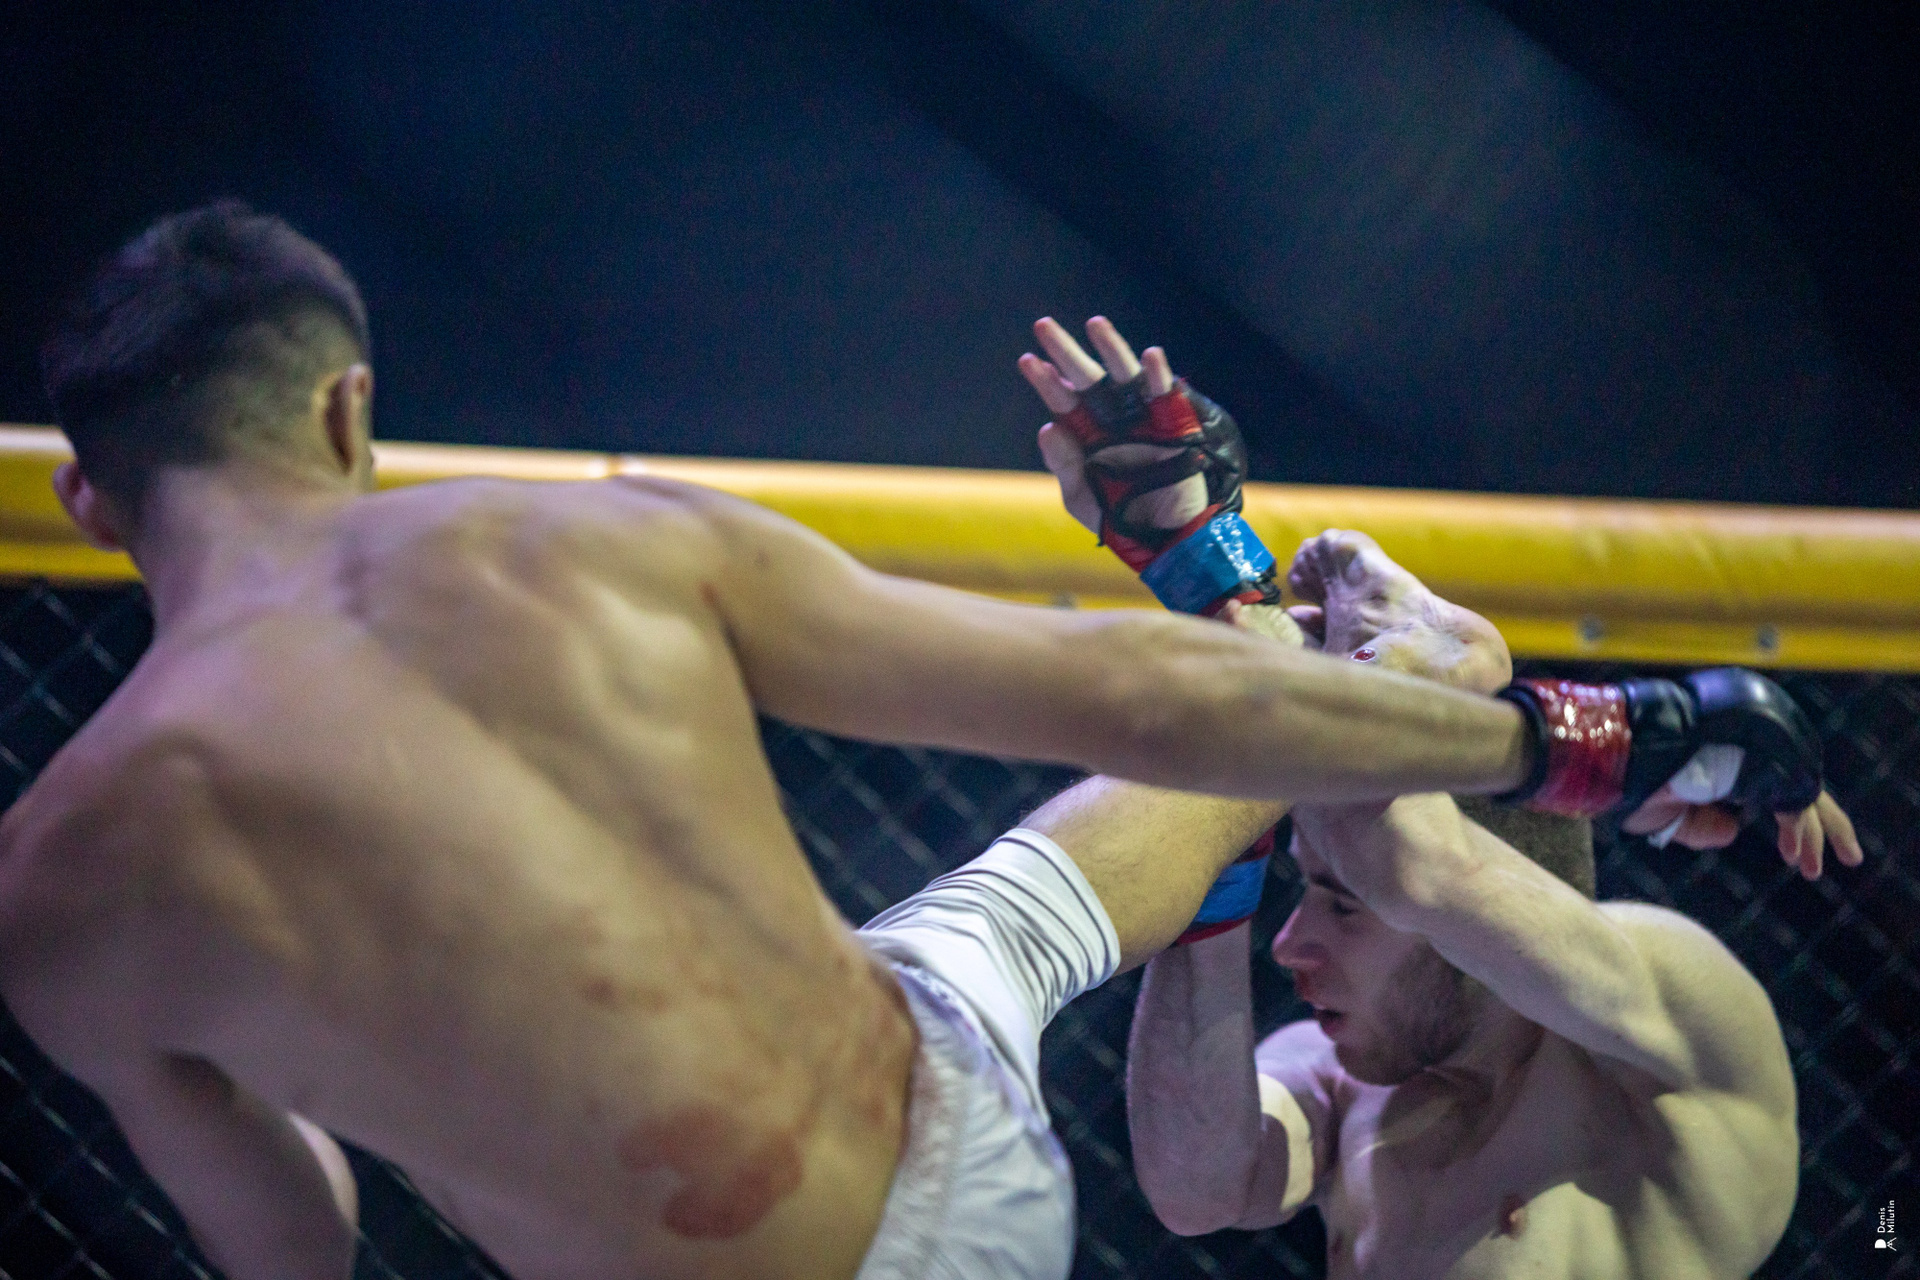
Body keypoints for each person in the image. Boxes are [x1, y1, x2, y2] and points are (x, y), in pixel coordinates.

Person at [0, 203, 1839, 1280]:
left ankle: (1241, 592)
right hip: (916, 1204)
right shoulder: (577, 548)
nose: (1305, 940)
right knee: (1046, 874)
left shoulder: (59, 892)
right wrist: (1597, 741)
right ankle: (1259, 602)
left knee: (969, 936)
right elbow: (1128, 714)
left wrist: (359, 1059)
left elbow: (292, 1251)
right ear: (349, 411)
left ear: (85, 499)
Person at [1010, 319, 1865, 1276]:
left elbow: (1405, 861)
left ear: (1487, 907)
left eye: (1339, 906)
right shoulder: (1343, 1083)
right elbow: (1198, 1187)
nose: (1289, 944)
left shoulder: (1661, 1023)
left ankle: (1432, 667)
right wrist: (1224, 825)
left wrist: (1213, 586)